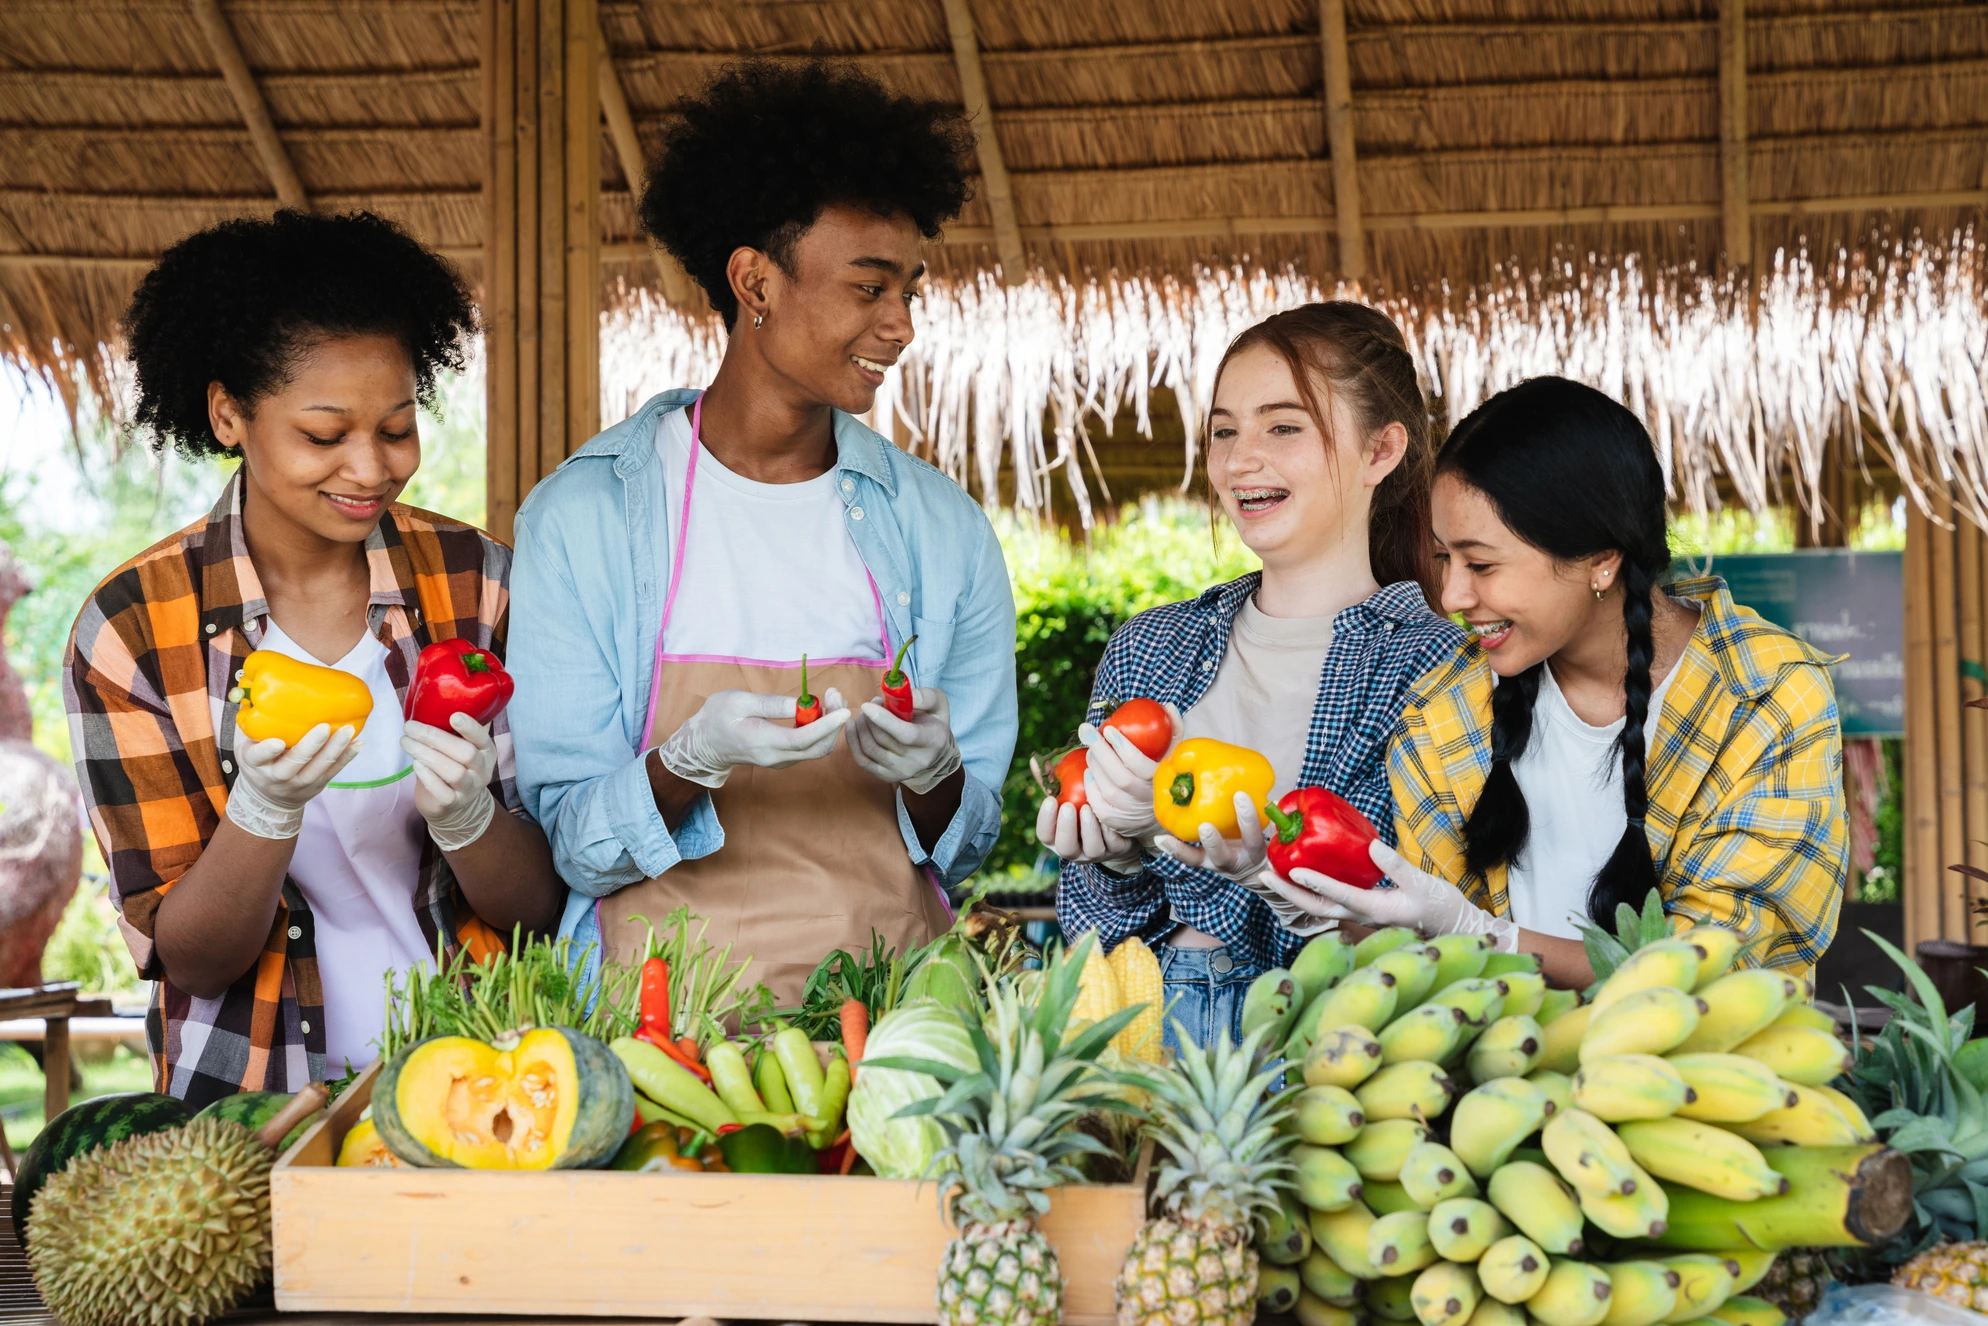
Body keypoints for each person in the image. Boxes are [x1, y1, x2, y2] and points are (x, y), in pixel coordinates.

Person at [507, 61, 1016, 1003]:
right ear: (755, 282)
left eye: (910, 288)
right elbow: (572, 845)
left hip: (891, 1033)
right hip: (652, 1034)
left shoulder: (943, 533)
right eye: (868, 288)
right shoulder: (583, 518)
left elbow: (971, 839)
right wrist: (688, 761)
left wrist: (937, 772)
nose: (901, 325)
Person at [66, 211, 563, 1106]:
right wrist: (262, 814)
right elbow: (196, 959)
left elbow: (541, 910)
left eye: (398, 429)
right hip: (252, 1109)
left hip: (482, 1088)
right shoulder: (133, 628)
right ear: (230, 414)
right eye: (326, 437)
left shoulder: (477, 583)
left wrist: (468, 820)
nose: (371, 468)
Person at [1260, 376, 1847, 986]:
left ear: (1601, 559)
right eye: (1444, 558)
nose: (1455, 595)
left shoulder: (1768, 696)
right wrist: (1313, 902)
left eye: (1481, 563)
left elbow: (1715, 963)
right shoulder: (1442, 713)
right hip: (1504, 1071)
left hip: (1698, 1078)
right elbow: (1418, 947)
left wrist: (1483, 936)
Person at [1045, 303, 1465, 1047]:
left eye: (1283, 426)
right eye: (1224, 430)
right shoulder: (1148, 650)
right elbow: (1092, 933)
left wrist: (1256, 870)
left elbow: (1414, 941)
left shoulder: (1433, 667)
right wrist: (1114, 860)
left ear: (1381, 451)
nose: (1241, 460)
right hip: (1139, 1053)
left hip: (1321, 1063)